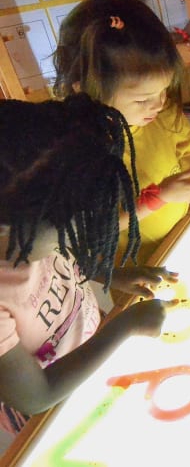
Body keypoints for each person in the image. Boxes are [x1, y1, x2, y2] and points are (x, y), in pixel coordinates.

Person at [0, 95, 174, 436]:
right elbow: (36, 396)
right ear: (7, 228)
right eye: (69, 231)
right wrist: (122, 328)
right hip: (52, 410)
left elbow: (62, 257)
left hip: (90, 358)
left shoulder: (29, 228)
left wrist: (111, 275)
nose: (77, 240)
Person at [52, 0, 190, 265]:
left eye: (164, 90)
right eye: (143, 99)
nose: (159, 104)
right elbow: (93, 227)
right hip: (136, 261)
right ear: (86, 89)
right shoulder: (82, 149)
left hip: (181, 235)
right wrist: (161, 196)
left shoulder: (165, 114)